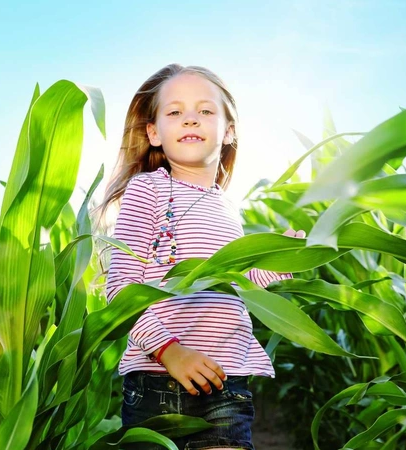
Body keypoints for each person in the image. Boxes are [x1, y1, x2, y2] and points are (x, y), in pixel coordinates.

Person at [99, 64, 305, 450]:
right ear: (154, 132)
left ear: (228, 131)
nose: (190, 117)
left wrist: (279, 263)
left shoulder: (229, 207)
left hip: (226, 380)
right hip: (157, 380)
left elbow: (233, 284)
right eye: (175, 111)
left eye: (205, 111)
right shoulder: (148, 190)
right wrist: (169, 351)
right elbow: (121, 291)